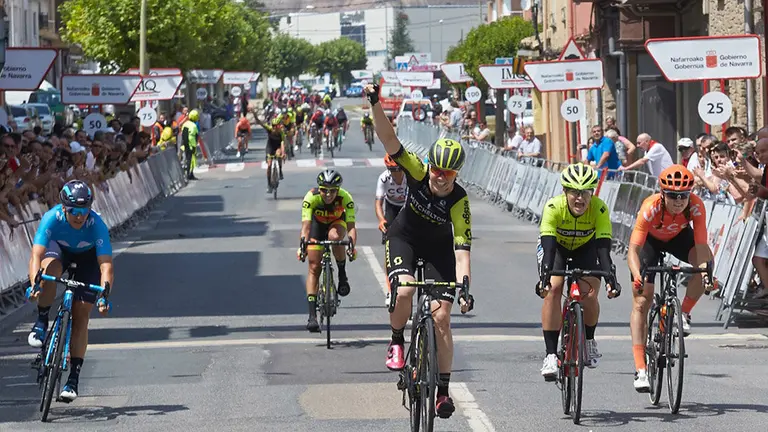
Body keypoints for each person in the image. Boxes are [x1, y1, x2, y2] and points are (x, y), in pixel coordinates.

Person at [364, 83, 474, 419]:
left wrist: (465, 285)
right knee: (406, 290)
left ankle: (442, 391)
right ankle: (397, 339)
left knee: (442, 318)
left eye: (449, 174)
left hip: (439, 249)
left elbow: (462, 247)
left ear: (457, 174)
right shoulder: (416, 170)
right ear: (431, 166)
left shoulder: (459, 200)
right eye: (438, 171)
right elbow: (389, 140)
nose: (441, 179)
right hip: (405, 239)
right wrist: (374, 103)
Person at [627, 165, 713, 392]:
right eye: (673, 195)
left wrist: (706, 274)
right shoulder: (650, 207)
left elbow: (701, 246)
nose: (678, 201)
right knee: (641, 301)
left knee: (705, 265)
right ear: (663, 193)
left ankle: (683, 313)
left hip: (679, 238)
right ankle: (641, 369)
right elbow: (633, 250)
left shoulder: (695, 205)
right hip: (650, 243)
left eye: (683, 195)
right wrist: (637, 276)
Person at [26, 180, 114, 402]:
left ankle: (73, 378)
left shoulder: (97, 224)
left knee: (82, 314)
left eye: (84, 210)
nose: (80, 216)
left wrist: (105, 296)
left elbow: (105, 265)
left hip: (88, 259)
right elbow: (36, 255)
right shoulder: (52, 218)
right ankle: (42, 321)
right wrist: (35, 284)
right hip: (60, 251)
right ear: (64, 208)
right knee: (49, 269)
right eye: (74, 211)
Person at [537, 163, 620, 381]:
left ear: (592, 192)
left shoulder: (599, 209)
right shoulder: (553, 207)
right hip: (556, 248)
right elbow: (548, 247)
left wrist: (611, 278)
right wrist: (545, 276)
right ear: (565, 192)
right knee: (553, 290)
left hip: (586, 247)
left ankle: (589, 341)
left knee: (589, 294)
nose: (580, 198)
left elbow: (603, 250)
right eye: (574, 192)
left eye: (585, 192)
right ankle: (550, 354)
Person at [297, 170, 358, 332]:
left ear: (338, 190)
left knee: (334, 237)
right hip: (316, 226)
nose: (328, 194)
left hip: (337, 223)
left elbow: (351, 228)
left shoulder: (346, 198)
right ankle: (312, 316)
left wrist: (352, 246)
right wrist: (302, 244)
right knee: (314, 267)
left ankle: (342, 274)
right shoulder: (311, 197)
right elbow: (306, 227)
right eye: (324, 190)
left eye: (332, 190)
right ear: (319, 188)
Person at [375, 155, 408, 244]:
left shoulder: (409, 176)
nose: (396, 174)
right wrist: (381, 220)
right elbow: (378, 204)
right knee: (387, 231)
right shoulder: (383, 178)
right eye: (392, 171)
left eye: (399, 170)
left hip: (407, 205)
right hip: (391, 205)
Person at [254, 116, 286, 193]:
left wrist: (283, 153)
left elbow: (282, 144)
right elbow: (260, 123)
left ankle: (280, 171)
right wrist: (254, 114)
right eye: (274, 126)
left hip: (277, 147)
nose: (275, 128)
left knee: (279, 155)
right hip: (270, 148)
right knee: (269, 165)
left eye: (277, 126)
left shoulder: (281, 133)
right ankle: (269, 184)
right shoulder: (269, 129)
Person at [180, 109, 200, 180]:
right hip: (191, 145)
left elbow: (183, 135)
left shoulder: (185, 124)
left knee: (190, 160)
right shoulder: (194, 126)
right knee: (190, 160)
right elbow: (196, 136)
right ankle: (189, 174)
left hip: (185, 144)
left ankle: (190, 174)